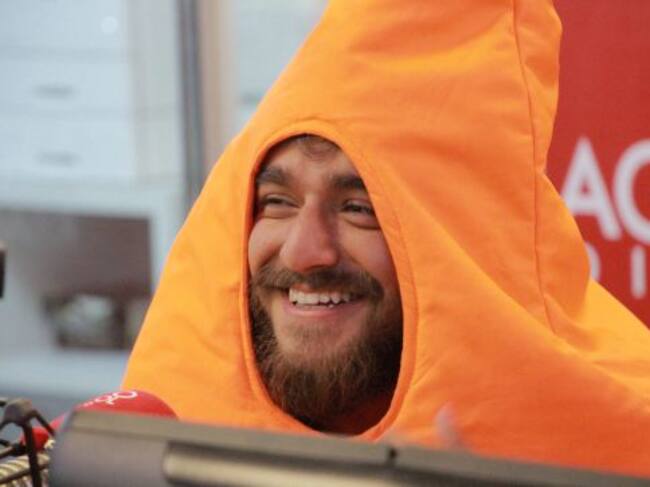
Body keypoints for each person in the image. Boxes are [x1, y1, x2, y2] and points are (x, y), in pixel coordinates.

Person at [123, 0, 650, 477]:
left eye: (359, 209)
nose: (303, 252)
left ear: (457, 242)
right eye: (277, 202)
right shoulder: (144, 443)